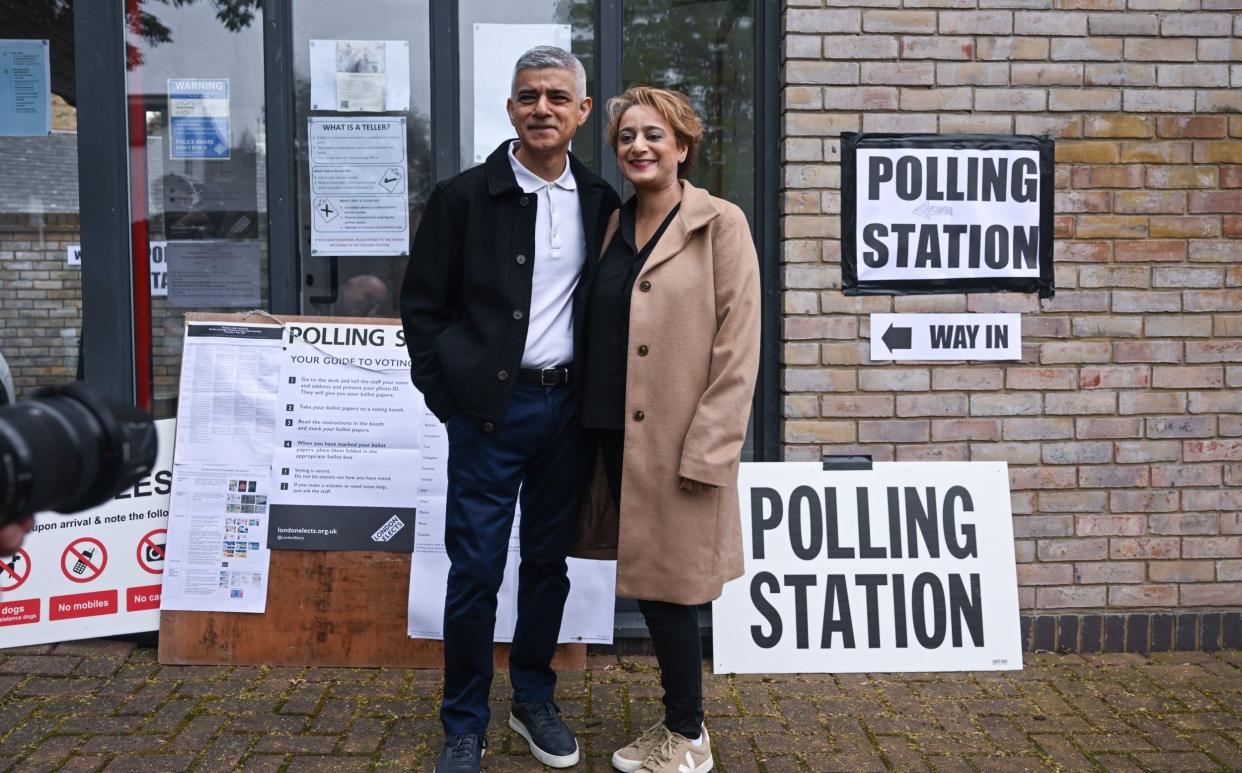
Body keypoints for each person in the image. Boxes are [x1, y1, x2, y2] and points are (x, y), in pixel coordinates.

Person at [400, 46, 620, 773]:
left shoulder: (601, 202)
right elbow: (423, 307)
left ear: (582, 112)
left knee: (549, 564)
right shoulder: (463, 197)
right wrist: (450, 400)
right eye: (529, 96)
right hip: (491, 414)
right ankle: (463, 720)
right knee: (475, 571)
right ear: (510, 109)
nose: (543, 109)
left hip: (568, 414)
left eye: (559, 97)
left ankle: (532, 697)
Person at [574, 86, 760, 773]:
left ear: (682, 147)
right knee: (651, 584)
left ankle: (688, 734)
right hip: (609, 438)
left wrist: (711, 446)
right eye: (626, 137)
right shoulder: (609, 226)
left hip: (679, 444)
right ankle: (680, 722)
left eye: (654, 135)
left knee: (673, 589)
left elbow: (739, 347)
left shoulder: (720, 224)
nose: (638, 147)